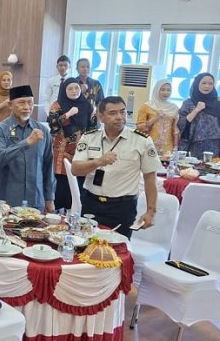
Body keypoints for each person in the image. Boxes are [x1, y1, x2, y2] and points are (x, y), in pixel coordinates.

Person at [72, 96, 160, 238]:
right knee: (84, 250)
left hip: (122, 207)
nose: (119, 117)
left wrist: (151, 212)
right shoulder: (89, 137)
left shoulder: (141, 140)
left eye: (122, 112)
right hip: (90, 203)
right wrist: (98, 162)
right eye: (113, 113)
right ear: (101, 117)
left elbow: (150, 178)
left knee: (116, 254)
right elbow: (75, 169)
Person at [0, 85, 55, 212]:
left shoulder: (42, 130)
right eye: (21, 103)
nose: (27, 107)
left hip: (35, 200)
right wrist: (27, 142)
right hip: (6, 201)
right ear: (10, 105)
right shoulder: (0, 130)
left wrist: (50, 198)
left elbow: (48, 166)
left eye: (30, 103)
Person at [47, 77, 97, 212]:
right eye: (70, 88)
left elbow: (93, 128)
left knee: (78, 182)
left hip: (81, 151)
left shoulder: (87, 106)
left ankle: (74, 212)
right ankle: (57, 212)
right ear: (64, 90)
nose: (74, 91)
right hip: (61, 151)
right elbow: (52, 124)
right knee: (61, 183)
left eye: (76, 88)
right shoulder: (57, 105)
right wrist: (67, 114)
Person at [177, 72, 220, 160]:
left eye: (210, 83)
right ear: (197, 84)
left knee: (211, 170)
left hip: (214, 146)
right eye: (204, 83)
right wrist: (196, 110)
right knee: (191, 172)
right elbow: (181, 123)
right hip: (192, 146)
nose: (207, 86)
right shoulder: (188, 103)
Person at [136, 79, 180, 157]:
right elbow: (139, 128)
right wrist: (156, 118)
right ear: (156, 90)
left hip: (168, 148)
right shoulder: (146, 106)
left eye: (168, 90)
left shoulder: (174, 108)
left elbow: (175, 130)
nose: (166, 93)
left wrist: (175, 148)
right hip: (149, 145)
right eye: (162, 90)